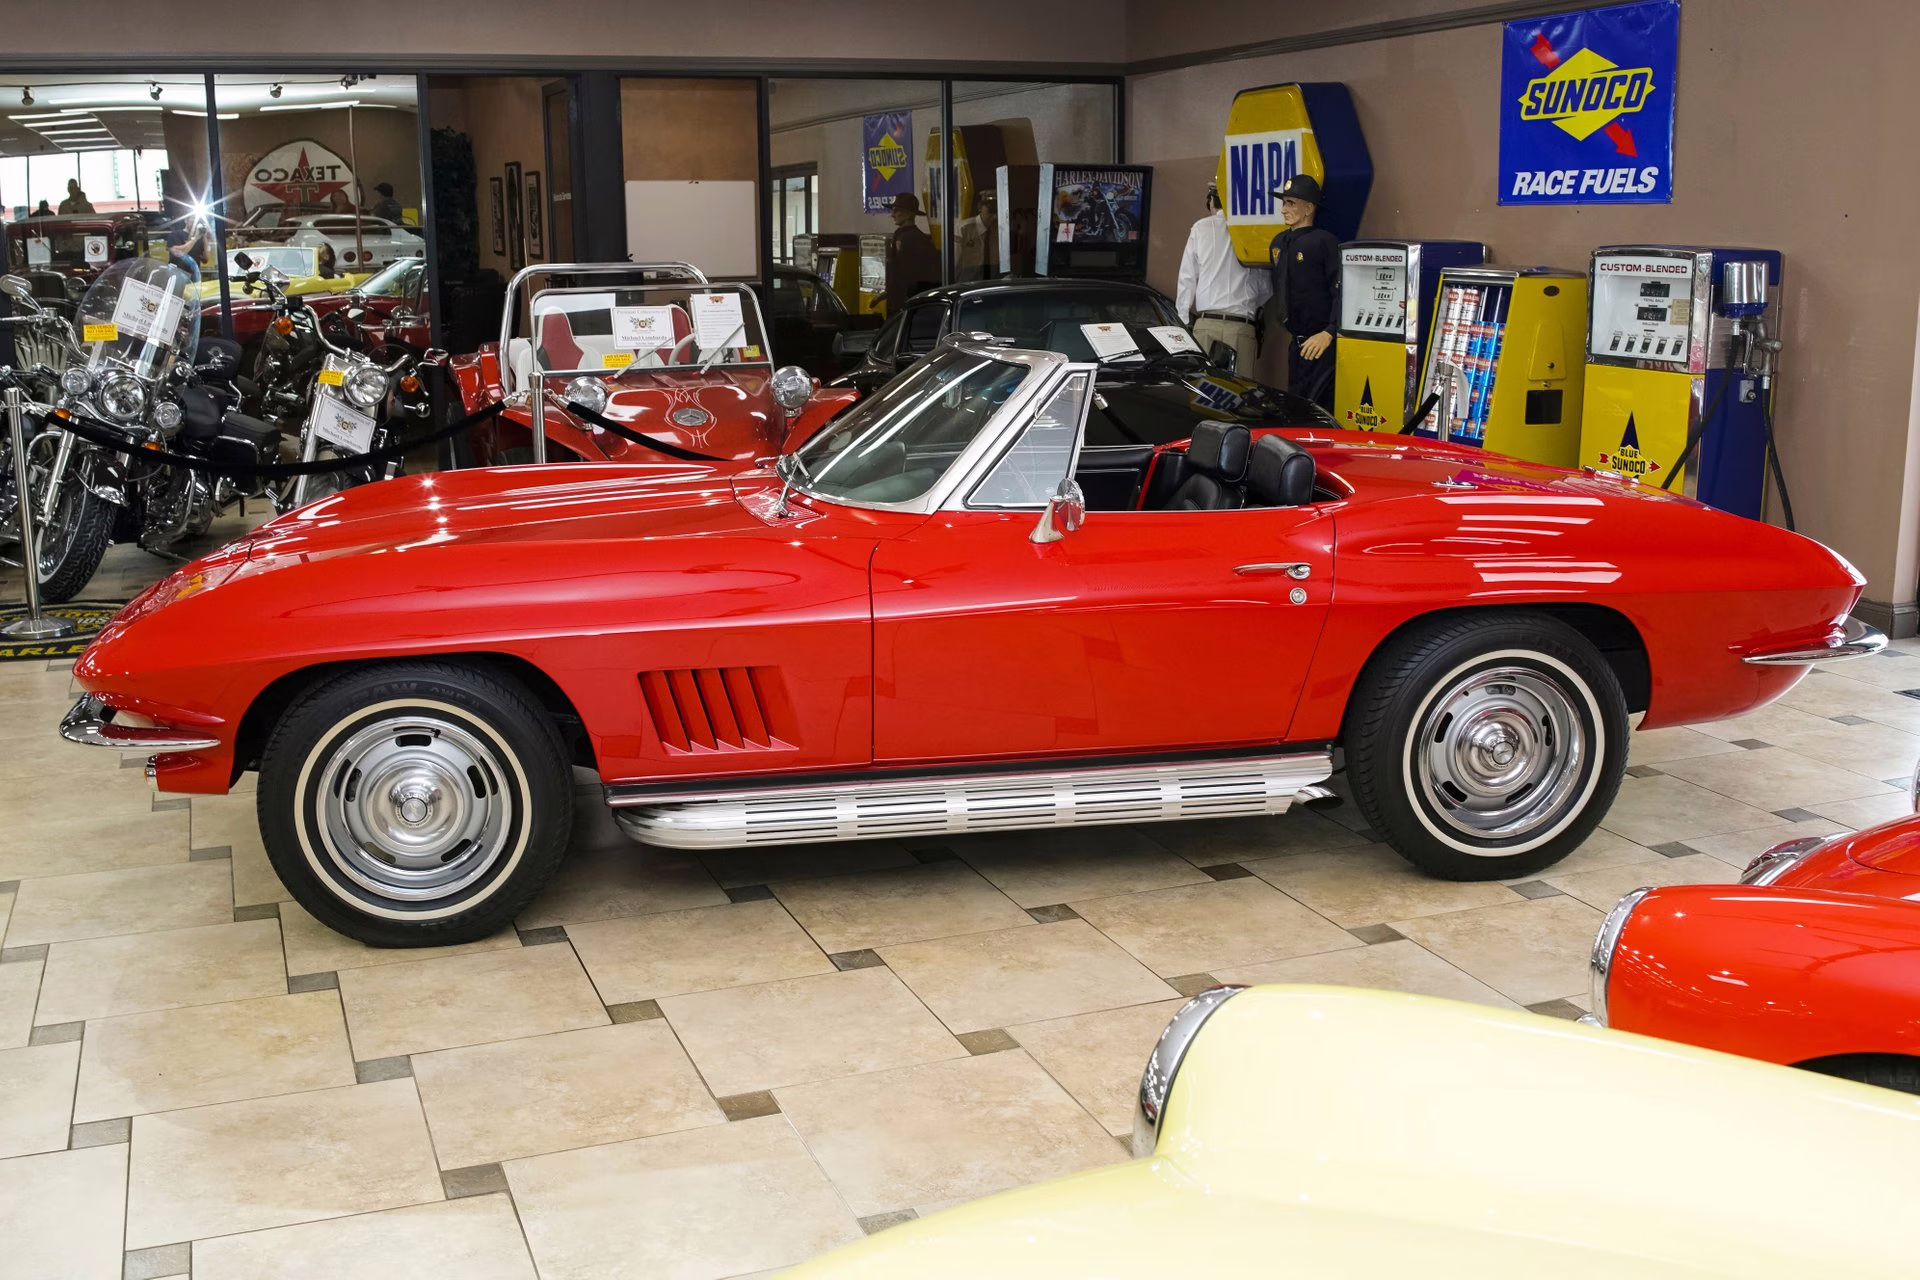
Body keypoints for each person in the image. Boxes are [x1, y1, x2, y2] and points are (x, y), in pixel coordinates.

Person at [1175, 180, 1270, 374]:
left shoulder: (1200, 228)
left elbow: (1187, 277)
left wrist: (1183, 320)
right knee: (1240, 393)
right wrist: (1248, 303)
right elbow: (1266, 288)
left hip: (1205, 324)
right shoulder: (1255, 232)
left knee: (1203, 392)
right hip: (1241, 326)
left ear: (1211, 202)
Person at [1267, 173, 1340, 410]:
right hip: (1296, 344)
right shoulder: (1278, 244)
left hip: (1321, 344)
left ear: (1308, 208)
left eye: (1291, 203)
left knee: (1320, 407)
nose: (1284, 209)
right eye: (1284, 202)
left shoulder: (1324, 243)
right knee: (1296, 406)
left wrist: (1329, 332)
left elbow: (1341, 292)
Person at [884, 192, 940, 313]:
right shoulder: (907, 235)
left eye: (896, 210)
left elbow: (910, 274)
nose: (892, 215)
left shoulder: (911, 238)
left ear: (909, 214)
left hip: (907, 302)